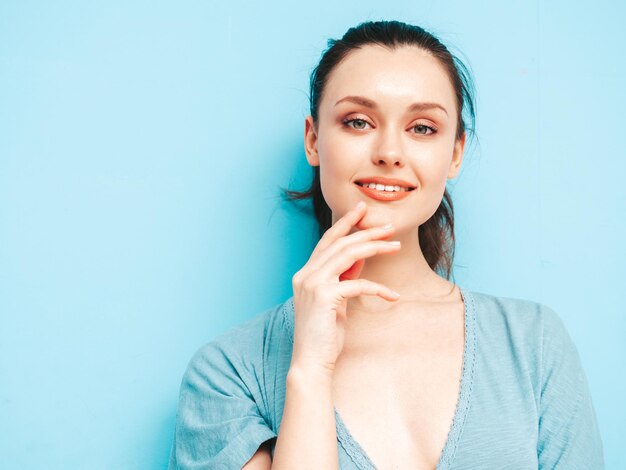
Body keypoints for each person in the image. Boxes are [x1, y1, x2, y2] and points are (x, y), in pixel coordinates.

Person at [168, 20, 604, 469]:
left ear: (455, 153)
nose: (390, 152)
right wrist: (310, 370)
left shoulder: (533, 344)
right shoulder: (228, 374)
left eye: (422, 128)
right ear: (313, 140)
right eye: (358, 121)